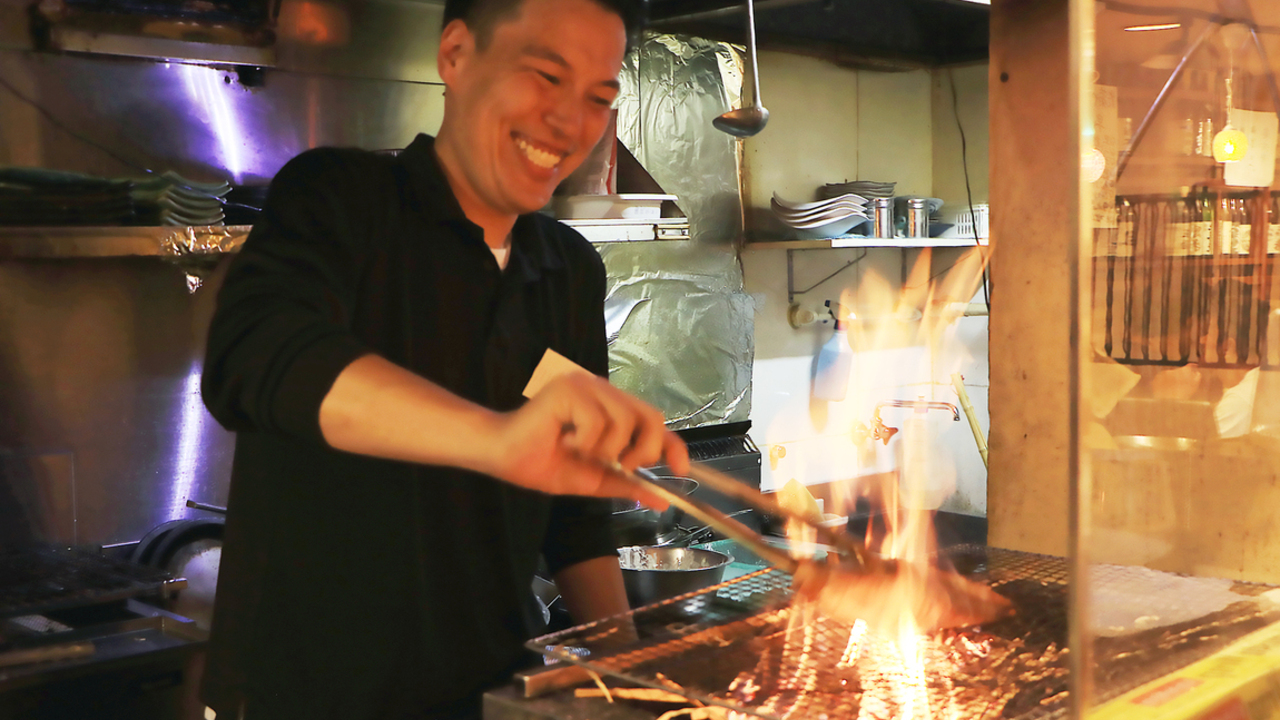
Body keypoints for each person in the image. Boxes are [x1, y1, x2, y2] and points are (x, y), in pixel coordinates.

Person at [198, 0, 687, 717]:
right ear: (455, 55)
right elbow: (256, 353)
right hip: (309, 696)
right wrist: (494, 440)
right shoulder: (339, 198)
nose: (570, 121)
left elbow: (574, 517)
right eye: (545, 76)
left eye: (597, 97)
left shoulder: (568, 269)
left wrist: (625, 672)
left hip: (489, 694)